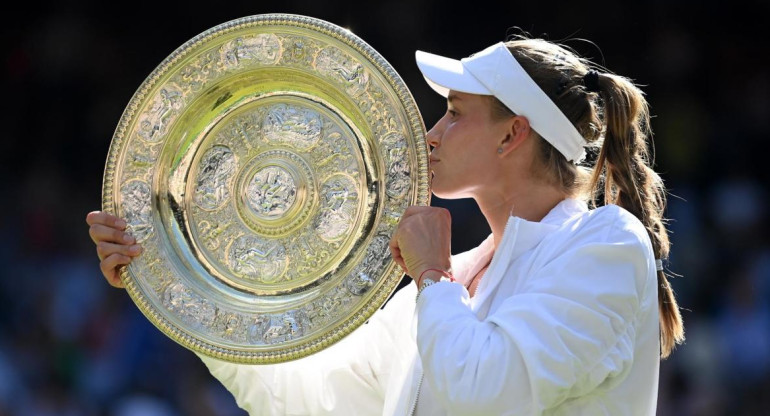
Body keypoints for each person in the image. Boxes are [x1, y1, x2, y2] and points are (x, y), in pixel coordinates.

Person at [86, 37, 685, 415]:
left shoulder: (605, 243)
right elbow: (308, 401)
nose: (431, 135)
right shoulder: (451, 283)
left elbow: (489, 394)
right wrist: (179, 279)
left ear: (512, 134)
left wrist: (429, 276)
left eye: (453, 115)